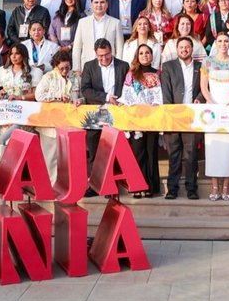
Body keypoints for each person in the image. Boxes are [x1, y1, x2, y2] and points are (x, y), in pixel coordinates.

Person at [78, 38, 126, 195]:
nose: (104, 59)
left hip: (117, 114)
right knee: (94, 151)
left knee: (113, 151)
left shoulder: (123, 66)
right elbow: (85, 89)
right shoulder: (89, 66)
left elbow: (128, 88)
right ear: (95, 54)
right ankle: (94, 185)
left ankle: (111, 186)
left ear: (111, 51)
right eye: (100, 56)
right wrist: (106, 97)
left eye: (106, 55)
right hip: (95, 114)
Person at [200, 33, 229, 201]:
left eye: (226, 41)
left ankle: (226, 185)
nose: (223, 44)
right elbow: (204, 87)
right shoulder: (207, 62)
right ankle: (214, 186)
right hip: (212, 109)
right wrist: (212, 104)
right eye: (220, 41)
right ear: (215, 44)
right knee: (213, 148)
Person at [160, 37, 202, 200]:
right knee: (174, 154)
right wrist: (171, 112)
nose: (184, 50)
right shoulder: (168, 67)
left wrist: (199, 98)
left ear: (192, 49)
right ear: (177, 50)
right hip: (173, 116)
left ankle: (192, 188)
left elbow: (204, 88)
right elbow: (166, 91)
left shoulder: (200, 67)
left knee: (191, 155)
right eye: (181, 47)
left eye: (187, 47)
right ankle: (172, 189)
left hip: (192, 116)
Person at [120, 44, 163, 198]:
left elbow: (161, 96)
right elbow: (127, 95)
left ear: (152, 55)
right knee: (137, 152)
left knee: (151, 152)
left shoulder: (159, 74)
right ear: (137, 57)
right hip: (136, 120)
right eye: (141, 53)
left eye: (147, 53)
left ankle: (150, 186)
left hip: (152, 119)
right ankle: (137, 186)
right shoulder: (131, 74)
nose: (145, 55)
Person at [32, 49, 79, 179]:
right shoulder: (48, 77)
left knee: (67, 157)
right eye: (61, 68)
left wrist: (79, 100)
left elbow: (80, 97)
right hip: (50, 125)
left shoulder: (75, 78)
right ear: (55, 66)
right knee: (50, 157)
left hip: (69, 123)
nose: (65, 71)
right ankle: (50, 186)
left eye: (67, 68)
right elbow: (38, 95)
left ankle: (66, 186)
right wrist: (58, 96)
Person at [73, 0, 123, 71]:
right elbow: (77, 47)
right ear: (91, 5)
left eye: (102, 2)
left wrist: (118, 67)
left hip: (109, 65)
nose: (99, 5)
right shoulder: (82, 22)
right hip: (87, 65)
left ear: (107, 4)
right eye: (96, 2)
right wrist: (77, 68)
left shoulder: (115, 23)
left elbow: (119, 47)